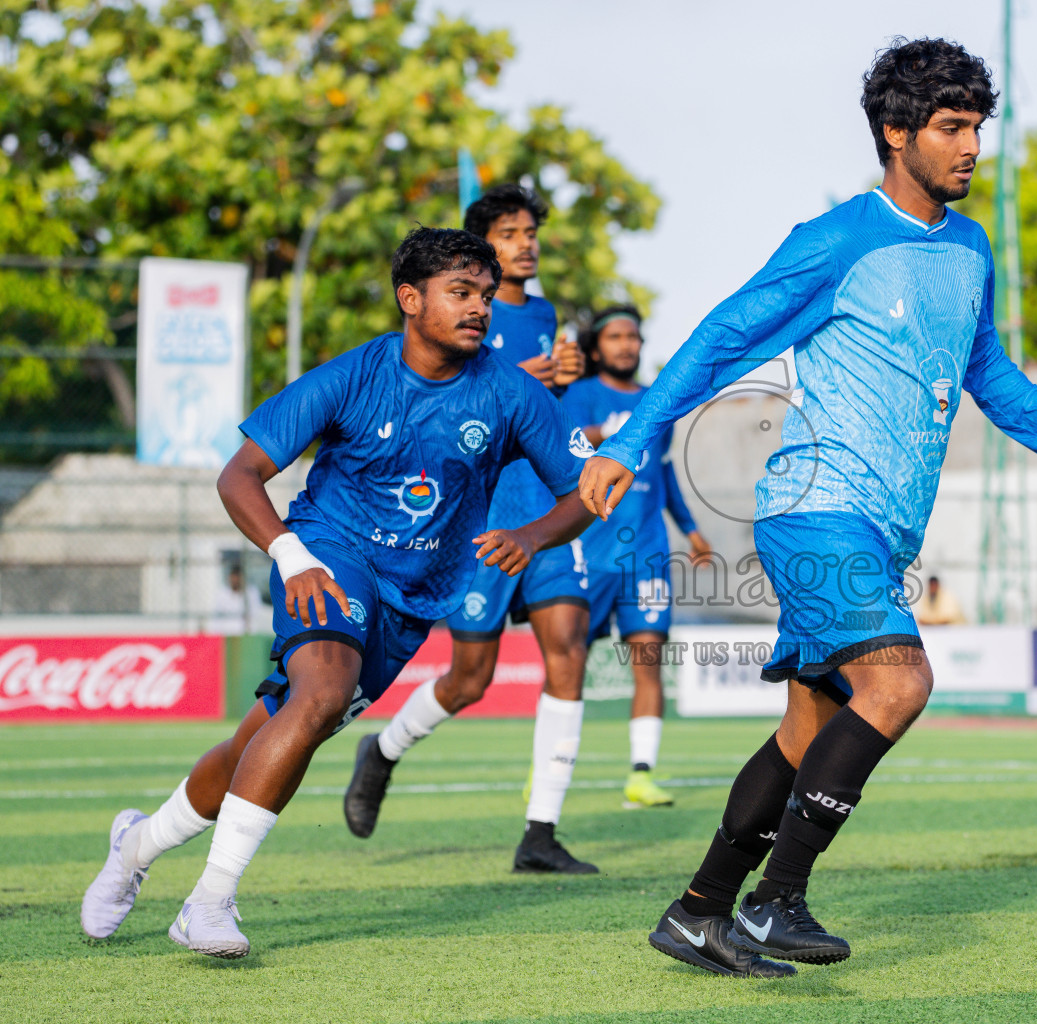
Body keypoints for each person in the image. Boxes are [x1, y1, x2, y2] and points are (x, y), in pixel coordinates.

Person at [579, 37, 1037, 978]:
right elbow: (721, 338)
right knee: (897, 685)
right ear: (895, 132)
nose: (969, 148)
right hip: (813, 507)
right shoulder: (837, 241)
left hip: (882, 532)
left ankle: (698, 911)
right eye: (950, 128)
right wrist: (633, 442)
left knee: (807, 732)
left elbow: (985, 373)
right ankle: (776, 903)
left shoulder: (969, 247)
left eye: (976, 129)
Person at [79, 227, 594, 959]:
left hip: (412, 601)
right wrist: (293, 557)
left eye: (484, 294)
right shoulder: (352, 375)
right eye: (461, 292)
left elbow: (583, 491)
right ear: (409, 300)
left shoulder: (511, 393)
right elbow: (239, 475)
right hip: (326, 554)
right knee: (320, 696)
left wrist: (537, 534)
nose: (480, 307)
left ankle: (134, 848)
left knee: (270, 735)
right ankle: (209, 903)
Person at [342, 184, 604, 875]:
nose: (527, 243)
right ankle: (383, 750)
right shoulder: (460, 317)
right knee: (469, 678)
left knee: (569, 650)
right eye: (512, 233)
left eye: (531, 232)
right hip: (480, 518)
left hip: (542, 514)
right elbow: (454, 389)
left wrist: (570, 379)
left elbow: (543, 420)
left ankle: (540, 832)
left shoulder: (546, 313)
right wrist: (529, 374)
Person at [562, 305, 712, 808]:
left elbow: (664, 473)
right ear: (596, 346)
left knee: (648, 662)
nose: (627, 345)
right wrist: (602, 436)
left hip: (646, 558)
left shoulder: (656, 402)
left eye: (634, 337)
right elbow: (557, 456)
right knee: (568, 666)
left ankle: (641, 774)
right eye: (616, 336)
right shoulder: (577, 394)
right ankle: (550, 766)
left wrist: (691, 530)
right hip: (588, 553)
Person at [209, 561, 268, 635]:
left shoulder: (251, 592)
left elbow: (255, 614)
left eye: (237, 577)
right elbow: (216, 617)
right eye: (233, 577)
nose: (235, 580)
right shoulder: (222, 594)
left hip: (245, 633)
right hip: (226, 633)